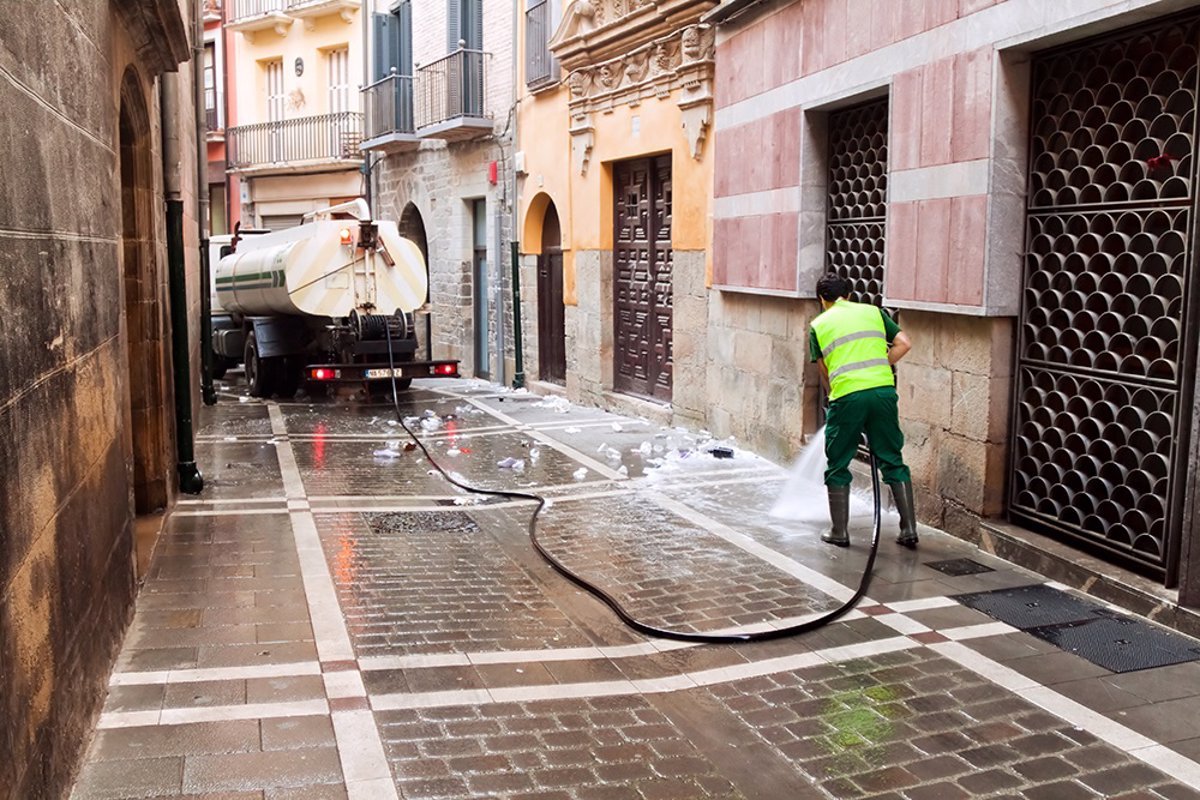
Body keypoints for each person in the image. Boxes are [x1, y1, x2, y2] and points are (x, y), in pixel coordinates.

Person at [808, 273, 917, 548]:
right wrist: (880, 364)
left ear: (823, 299)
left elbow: (825, 372)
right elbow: (905, 343)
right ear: (849, 294)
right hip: (882, 391)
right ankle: (908, 529)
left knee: (838, 461)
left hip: (847, 395)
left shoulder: (818, 325)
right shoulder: (874, 313)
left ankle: (839, 532)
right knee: (892, 458)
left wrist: (834, 397)